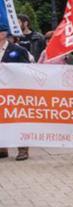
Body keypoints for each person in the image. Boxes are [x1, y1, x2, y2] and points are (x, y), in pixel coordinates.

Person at [0, 27, 33, 160]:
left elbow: (26, 69)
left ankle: (23, 149)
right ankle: (2, 147)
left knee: (18, 118)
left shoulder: (17, 50)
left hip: (15, 91)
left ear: (3, 34)